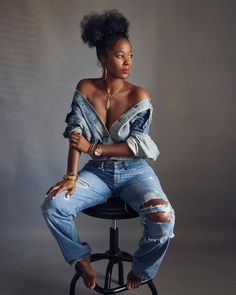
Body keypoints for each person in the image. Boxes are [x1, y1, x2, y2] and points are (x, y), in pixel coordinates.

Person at [41, 9, 175, 291]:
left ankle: (141, 269)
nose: (128, 62)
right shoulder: (85, 88)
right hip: (98, 174)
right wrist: (71, 176)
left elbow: (136, 146)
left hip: (134, 173)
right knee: (53, 205)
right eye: (119, 55)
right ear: (103, 58)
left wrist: (95, 147)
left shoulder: (140, 96)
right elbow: (75, 134)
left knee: (163, 216)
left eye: (131, 55)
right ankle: (81, 260)